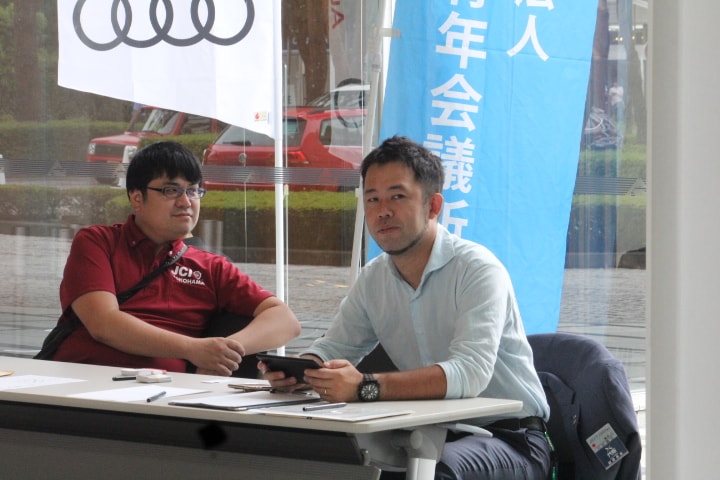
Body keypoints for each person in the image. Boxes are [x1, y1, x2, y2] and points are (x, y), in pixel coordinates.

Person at [262, 136, 553, 479]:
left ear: (433, 206)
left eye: (397, 197)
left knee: (433, 471)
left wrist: (364, 386)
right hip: (425, 436)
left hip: (510, 438)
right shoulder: (374, 279)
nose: (382, 211)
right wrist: (302, 372)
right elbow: (333, 348)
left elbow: (470, 372)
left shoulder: (477, 269)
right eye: (372, 199)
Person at [52, 141, 301, 375]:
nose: (185, 202)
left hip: (167, 395)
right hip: (82, 381)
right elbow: (104, 324)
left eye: (193, 190)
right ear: (137, 199)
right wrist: (192, 349)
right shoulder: (98, 242)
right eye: (171, 190)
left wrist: (223, 351)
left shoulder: (210, 267)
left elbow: (285, 320)